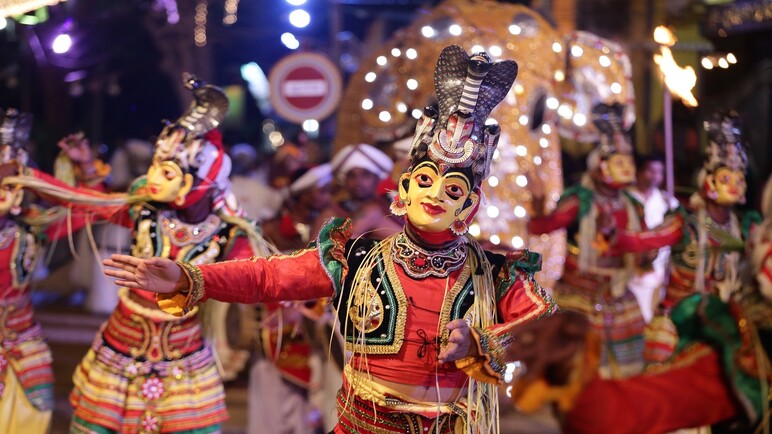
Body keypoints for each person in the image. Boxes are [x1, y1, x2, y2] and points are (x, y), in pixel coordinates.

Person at [105, 45, 556, 433]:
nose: (435, 194)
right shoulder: (358, 257)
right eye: (424, 180)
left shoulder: (491, 274)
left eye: (453, 190)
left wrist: (483, 343)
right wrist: (189, 277)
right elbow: (268, 278)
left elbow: (540, 322)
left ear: (470, 205)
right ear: (403, 189)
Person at [7, 75, 272, 433]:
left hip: (185, 361)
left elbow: (254, 282)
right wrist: (26, 175)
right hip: (120, 349)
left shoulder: (231, 235)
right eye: (154, 166)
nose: (152, 177)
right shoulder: (144, 211)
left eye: (166, 171)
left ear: (195, 182)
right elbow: (87, 202)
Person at [509, 174, 772, 434]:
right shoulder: (686, 223)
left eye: (739, 180)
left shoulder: (743, 227)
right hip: (675, 317)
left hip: (632, 302)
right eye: (726, 179)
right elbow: (640, 240)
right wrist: (611, 236)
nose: (734, 186)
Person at [0, 109, 110, 433]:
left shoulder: (30, 228)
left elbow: (93, 208)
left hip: (21, 345)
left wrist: (86, 168)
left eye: (10, 181)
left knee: (32, 418)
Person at [527, 103, 653, 378]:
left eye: (629, 162)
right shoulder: (581, 200)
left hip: (617, 294)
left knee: (623, 371)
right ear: (600, 167)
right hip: (579, 294)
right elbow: (541, 227)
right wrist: (537, 204)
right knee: (572, 365)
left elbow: (642, 245)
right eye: (619, 162)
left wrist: (647, 255)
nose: (627, 168)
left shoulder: (633, 206)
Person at [249, 163, 337, 434]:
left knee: (315, 405)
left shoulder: (326, 226)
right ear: (302, 194)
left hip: (316, 325)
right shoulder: (270, 228)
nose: (327, 197)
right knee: (272, 403)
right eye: (321, 191)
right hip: (277, 323)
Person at [625, 154, 679, 323]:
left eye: (659, 172)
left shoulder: (668, 202)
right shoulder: (625, 199)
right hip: (629, 269)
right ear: (638, 172)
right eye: (650, 171)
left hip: (659, 270)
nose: (655, 176)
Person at [313, 143, 402, 240]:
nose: (358, 182)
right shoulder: (331, 214)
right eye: (352, 176)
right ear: (345, 181)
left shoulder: (389, 208)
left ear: (377, 179)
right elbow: (314, 247)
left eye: (365, 175)